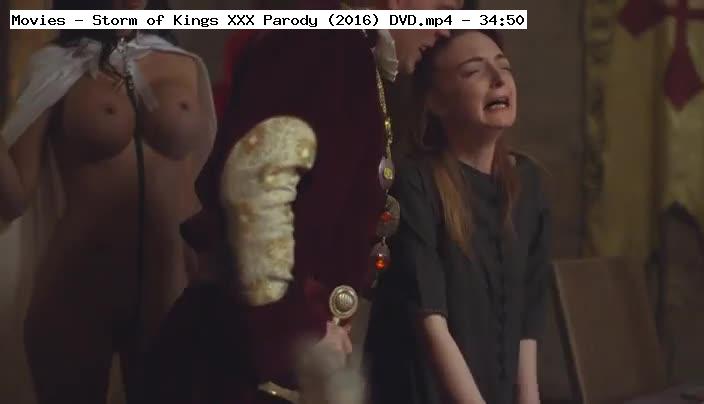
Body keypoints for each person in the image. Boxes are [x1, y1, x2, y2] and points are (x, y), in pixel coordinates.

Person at [140, 1, 463, 403]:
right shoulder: (319, 44)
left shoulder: (348, 50)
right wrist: (296, 334)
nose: (447, 23)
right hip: (240, 362)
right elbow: (257, 188)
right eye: (441, 6)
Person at [0, 0, 216, 402]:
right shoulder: (55, 66)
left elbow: (208, 182)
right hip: (78, 287)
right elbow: (14, 199)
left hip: (171, 286)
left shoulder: (185, 64)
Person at [365, 30, 552, 404]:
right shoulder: (415, 182)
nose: (498, 79)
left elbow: (526, 321)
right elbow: (430, 322)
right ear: (436, 100)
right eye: (473, 71)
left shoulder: (528, 181)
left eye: (504, 67)